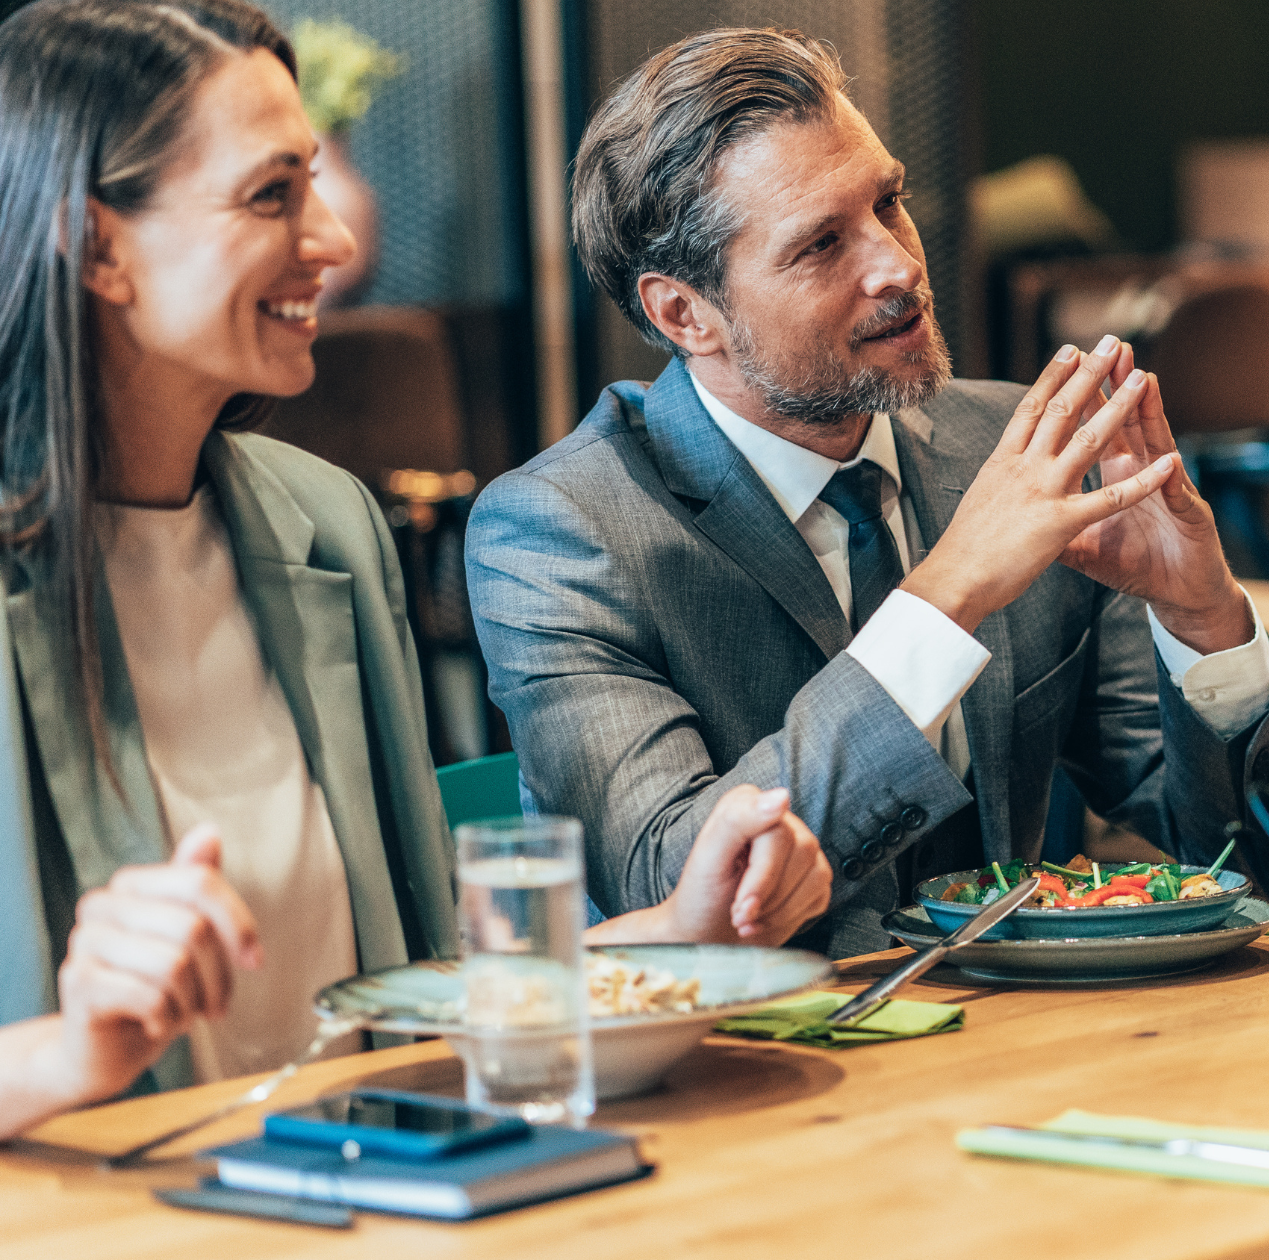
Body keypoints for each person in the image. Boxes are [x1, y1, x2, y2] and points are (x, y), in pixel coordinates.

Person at [0, 0, 829, 1143]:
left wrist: (683, 926)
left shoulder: (323, 524)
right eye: (270, 193)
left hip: (368, 1198)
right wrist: (65, 1053)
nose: (335, 243)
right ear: (93, 243)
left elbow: (420, 993)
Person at [465, 28, 1269, 960]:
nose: (899, 265)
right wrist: (948, 595)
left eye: (889, 203)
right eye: (822, 244)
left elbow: (1237, 855)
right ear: (683, 313)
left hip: (1018, 1049)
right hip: (742, 1074)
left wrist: (1202, 618)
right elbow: (678, 882)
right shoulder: (561, 530)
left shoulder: (1011, 446)